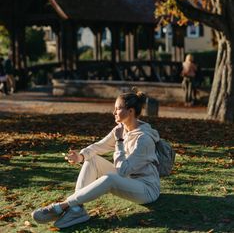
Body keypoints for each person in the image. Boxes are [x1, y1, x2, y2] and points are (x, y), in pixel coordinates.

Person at [32, 89, 161, 229]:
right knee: (92, 159)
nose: (114, 112)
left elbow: (123, 171)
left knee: (110, 179)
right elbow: (99, 146)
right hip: (128, 179)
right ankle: (76, 210)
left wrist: (119, 141)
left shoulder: (144, 139)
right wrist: (80, 156)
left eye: (118, 109)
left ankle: (63, 206)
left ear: (130, 111)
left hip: (146, 189)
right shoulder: (121, 129)